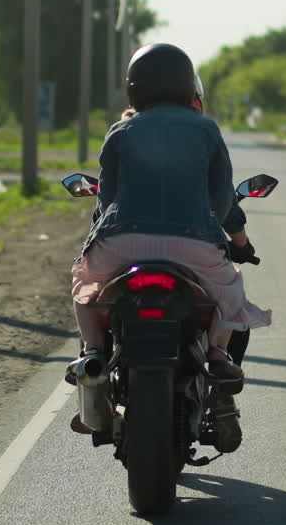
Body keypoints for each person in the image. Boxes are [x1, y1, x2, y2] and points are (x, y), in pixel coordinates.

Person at [70, 44, 272, 395]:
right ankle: (218, 354)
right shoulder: (206, 130)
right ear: (186, 85)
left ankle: (92, 352)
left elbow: (107, 199)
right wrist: (235, 241)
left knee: (85, 288)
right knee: (231, 289)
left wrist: (96, 244)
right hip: (193, 245)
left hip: (123, 243)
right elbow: (222, 201)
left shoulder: (120, 130)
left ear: (133, 86)